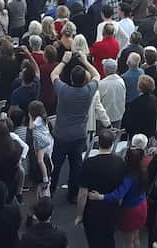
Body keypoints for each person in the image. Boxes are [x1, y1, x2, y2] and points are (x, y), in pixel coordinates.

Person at [49, 57, 100, 202]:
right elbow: (97, 75)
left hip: (61, 135)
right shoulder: (88, 91)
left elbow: (53, 75)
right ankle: (73, 194)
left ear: (71, 79)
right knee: (76, 166)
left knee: (56, 165)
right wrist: (85, 61)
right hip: (79, 135)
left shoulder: (64, 90)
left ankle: (50, 191)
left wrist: (63, 61)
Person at [77, 129, 125, 248]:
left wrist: (79, 215)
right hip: (111, 207)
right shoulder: (120, 162)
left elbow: (82, 194)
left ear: (98, 142)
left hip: (93, 209)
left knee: (94, 241)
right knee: (109, 238)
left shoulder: (88, 163)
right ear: (112, 143)